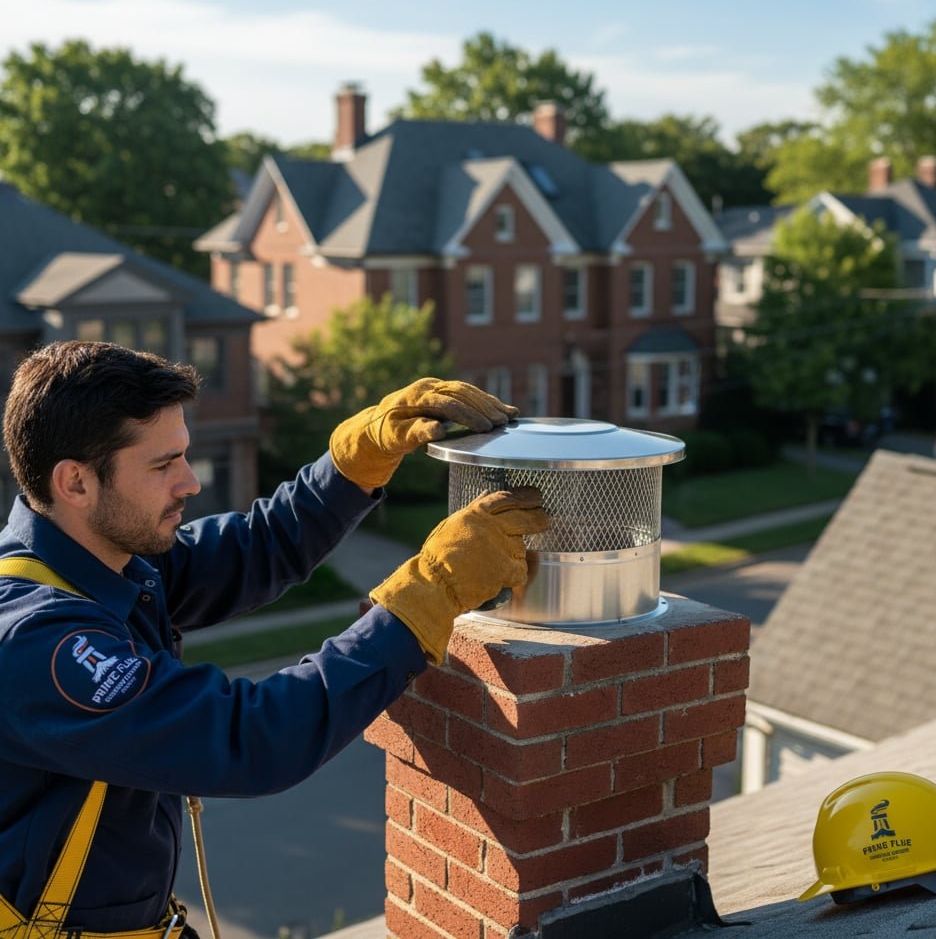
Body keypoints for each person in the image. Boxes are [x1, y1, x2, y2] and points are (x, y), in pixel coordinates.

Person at [0, 340, 547, 939]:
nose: (189, 483)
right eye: (162, 466)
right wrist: (429, 596)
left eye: (184, 457)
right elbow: (250, 739)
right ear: (75, 483)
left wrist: (354, 461)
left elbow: (256, 547)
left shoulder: (105, 560)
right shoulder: (35, 642)